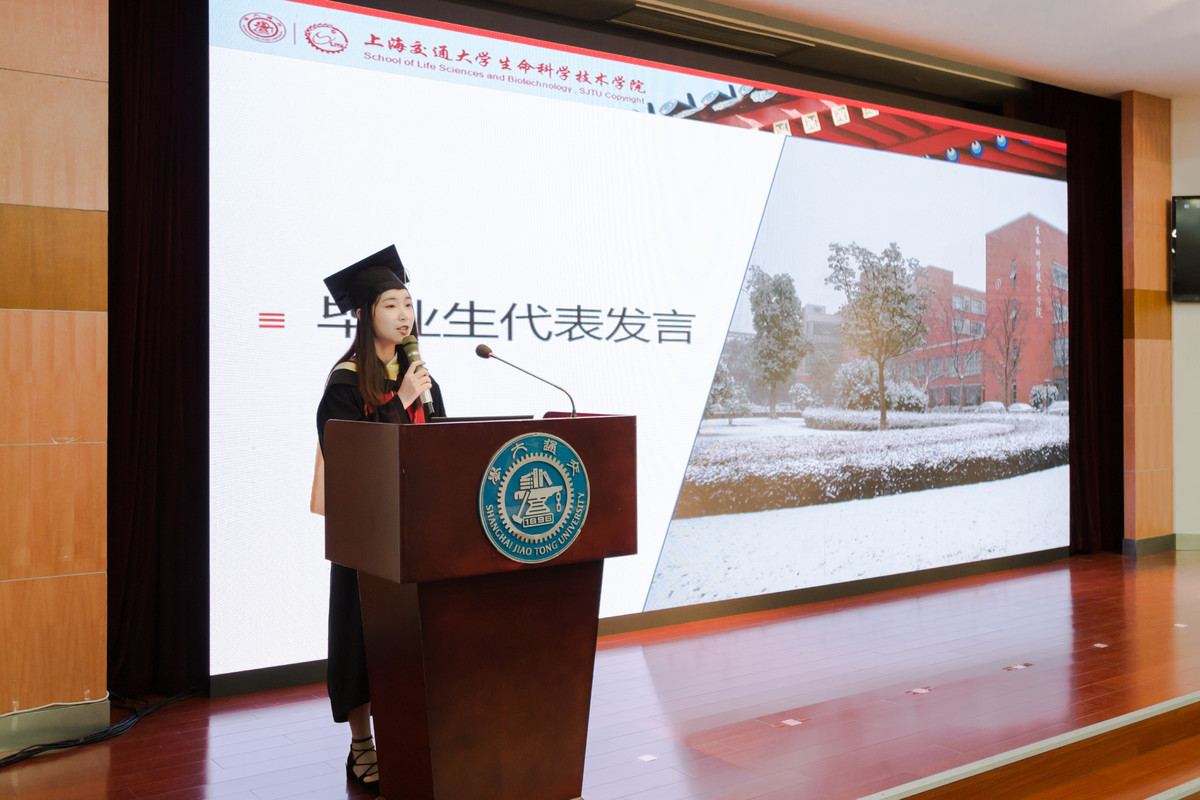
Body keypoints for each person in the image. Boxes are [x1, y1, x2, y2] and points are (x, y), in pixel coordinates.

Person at [316, 245, 446, 790]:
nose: (403, 315)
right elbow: (347, 457)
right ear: (365, 312)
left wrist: (418, 398)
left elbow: (442, 448)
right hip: (366, 534)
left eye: (408, 304)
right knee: (361, 638)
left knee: (412, 637)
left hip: (415, 531)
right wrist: (399, 400)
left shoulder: (419, 376)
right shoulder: (346, 383)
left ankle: (412, 734)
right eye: (390, 305)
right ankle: (361, 744)